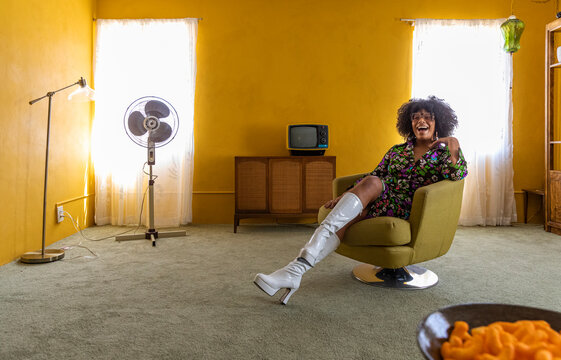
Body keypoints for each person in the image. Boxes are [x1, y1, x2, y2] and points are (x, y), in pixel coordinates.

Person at [254, 96, 468, 305]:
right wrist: (345, 196)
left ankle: (296, 268)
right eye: (415, 117)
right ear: (409, 123)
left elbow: (458, 176)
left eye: (427, 117)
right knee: (351, 211)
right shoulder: (396, 152)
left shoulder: (443, 153)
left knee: (371, 186)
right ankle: (295, 270)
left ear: (437, 121)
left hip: (409, 206)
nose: (421, 121)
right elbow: (374, 175)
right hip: (383, 199)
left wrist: (454, 144)